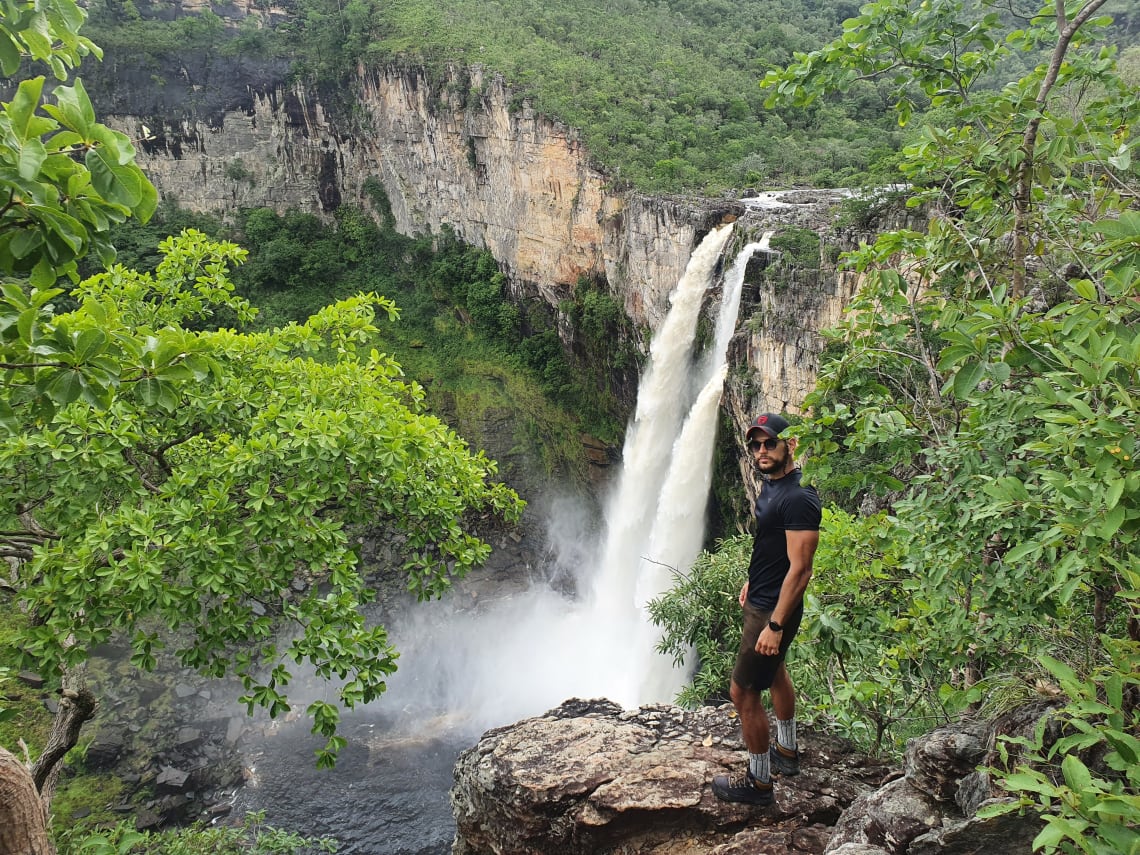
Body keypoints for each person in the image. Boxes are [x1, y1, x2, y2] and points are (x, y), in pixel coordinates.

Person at [712, 413, 821, 805]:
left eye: (769, 443)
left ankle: (759, 783)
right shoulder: (774, 485)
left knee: (742, 693)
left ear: (789, 445)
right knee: (775, 672)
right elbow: (771, 547)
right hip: (762, 596)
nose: (761, 451)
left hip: (772, 609)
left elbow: (802, 569)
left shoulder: (798, 497)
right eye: (755, 445)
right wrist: (752, 579)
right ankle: (787, 752)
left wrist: (774, 625)